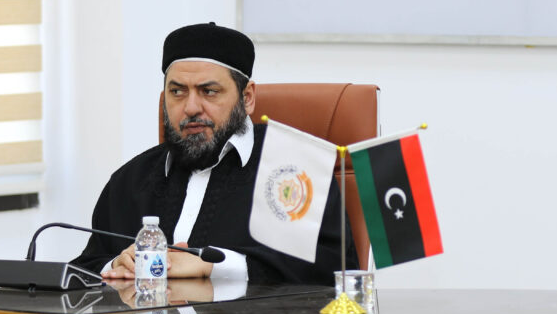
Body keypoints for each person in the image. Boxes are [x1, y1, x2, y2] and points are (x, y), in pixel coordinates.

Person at [69, 22, 355, 285]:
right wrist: (115, 265)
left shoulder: (293, 169)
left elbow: (331, 270)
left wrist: (213, 266)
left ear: (247, 98)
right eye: (177, 92)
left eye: (209, 91)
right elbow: (84, 268)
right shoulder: (130, 181)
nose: (191, 107)